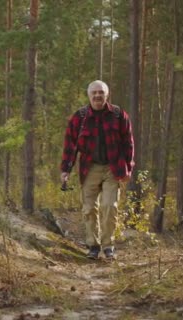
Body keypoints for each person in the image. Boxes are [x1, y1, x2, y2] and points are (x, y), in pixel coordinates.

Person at [60, 80, 134, 260]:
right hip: (89, 168)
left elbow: (128, 143)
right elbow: (70, 145)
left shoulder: (118, 115)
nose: (97, 96)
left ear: (107, 95)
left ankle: (108, 246)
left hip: (113, 167)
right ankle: (93, 246)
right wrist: (65, 170)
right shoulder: (80, 117)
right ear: (89, 95)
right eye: (94, 93)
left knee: (110, 206)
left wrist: (128, 169)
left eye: (101, 92)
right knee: (89, 209)